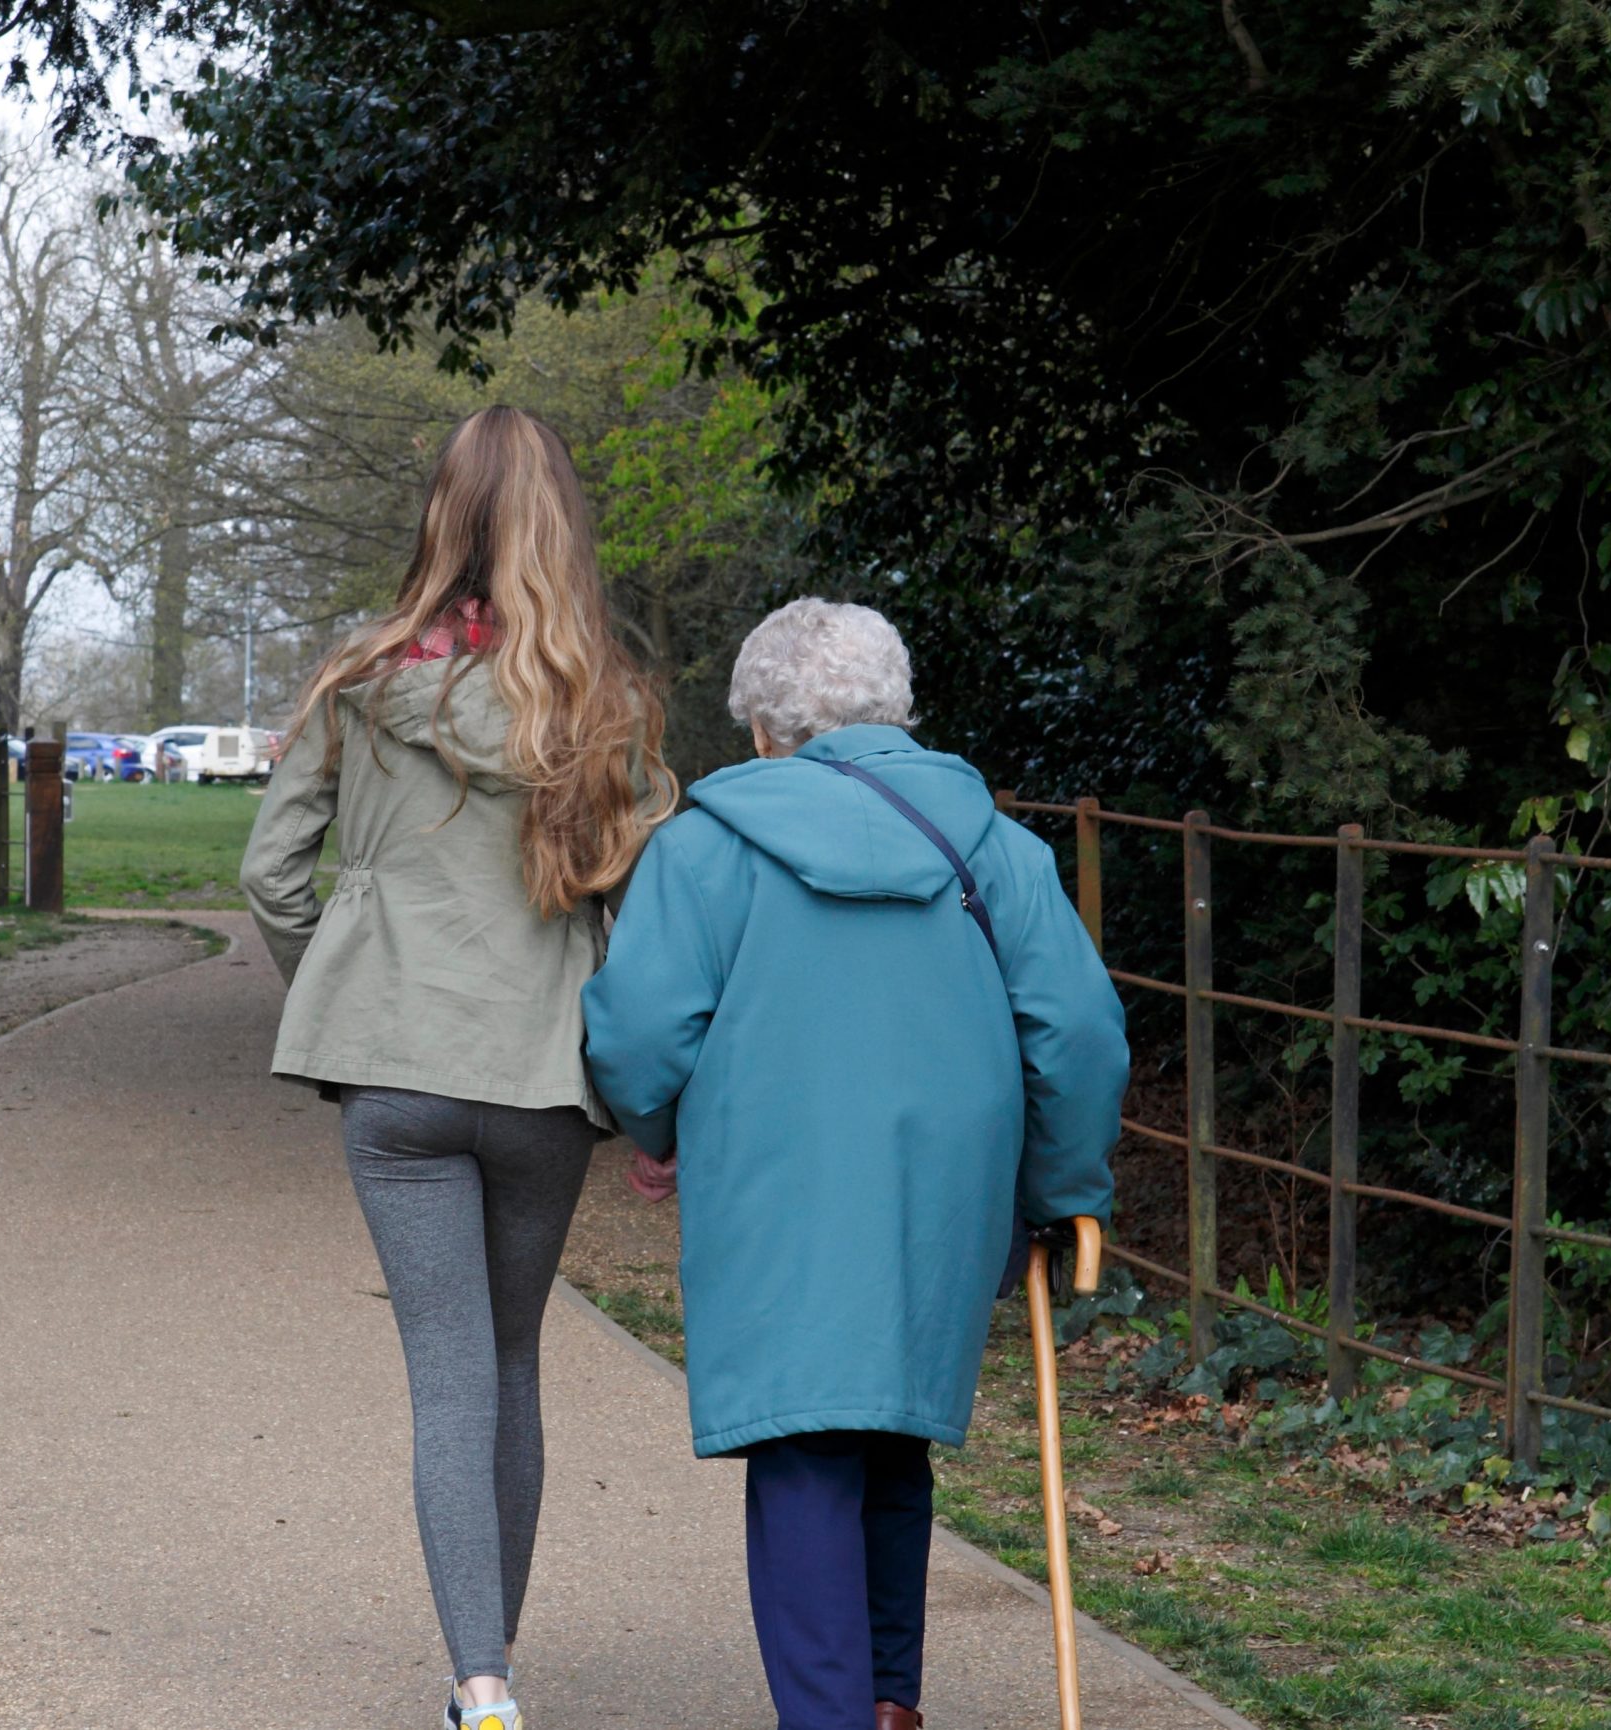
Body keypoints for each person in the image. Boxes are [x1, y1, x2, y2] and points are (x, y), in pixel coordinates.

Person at [581, 598, 1128, 1730]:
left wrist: (657, 1128)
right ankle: (887, 1701)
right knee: (888, 1428)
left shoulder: (706, 846)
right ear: (900, 712)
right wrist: (1060, 1191)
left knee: (804, 1448)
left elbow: (634, 1031)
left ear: (766, 730)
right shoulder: (997, 846)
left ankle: (831, 1715)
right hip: (945, 1192)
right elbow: (1078, 1037)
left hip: (776, 1186)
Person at [241, 405, 676, 1730]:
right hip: (544, 1075)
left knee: (446, 1376)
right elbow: (655, 913)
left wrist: (350, 986)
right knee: (514, 1365)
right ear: (560, 528)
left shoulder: (356, 679)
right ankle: (498, 1661)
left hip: (398, 1078)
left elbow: (271, 877)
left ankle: (481, 1684)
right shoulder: (607, 700)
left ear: (440, 515)